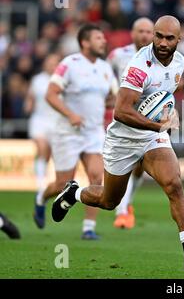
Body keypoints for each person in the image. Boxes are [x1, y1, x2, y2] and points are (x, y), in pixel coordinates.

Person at [51, 16, 184, 272]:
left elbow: (163, 96)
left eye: (169, 38)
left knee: (174, 184)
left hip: (151, 137)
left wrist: (168, 113)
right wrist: (158, 125)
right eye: (158, 36)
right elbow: (121, 112)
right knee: (108, 201)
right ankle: (74, 193)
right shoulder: (139, 66)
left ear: (179, 40)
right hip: (123, 139)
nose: (162, 42)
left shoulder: (180, 62)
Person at [34, 24, 118, 240]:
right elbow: (51, 95)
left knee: (97, 177)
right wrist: (71, 114)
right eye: (98, 38)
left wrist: (110, 102)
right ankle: (41, 198)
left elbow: (114, 97)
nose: (103, 41)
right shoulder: (69, 64)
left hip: (93, 133)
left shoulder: (105, 68)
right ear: (85, 42)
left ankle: (88, 228)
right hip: (68, 133)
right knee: (62, 184)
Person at [107, 17, 154, 229]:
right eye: (140, 31)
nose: (144, 35)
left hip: (148, 116)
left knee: (139, 167)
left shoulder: (159, 56)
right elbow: (105, 78)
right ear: (132, 33)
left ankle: (127, 203)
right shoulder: (117, 55)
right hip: (123, 115)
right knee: (124, 162)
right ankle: (122, 210)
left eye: (148, 31)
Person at [25, 54, 61, 216]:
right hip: (40, 120)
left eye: (55, 63)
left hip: (57, 122)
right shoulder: (38, 80)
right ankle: (40, 185)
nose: (52, 65)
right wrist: (28, 105)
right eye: (50, 62)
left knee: (52, 155)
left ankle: (50, 185)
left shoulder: (62, 79)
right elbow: (31, 97)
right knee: (42, 148)